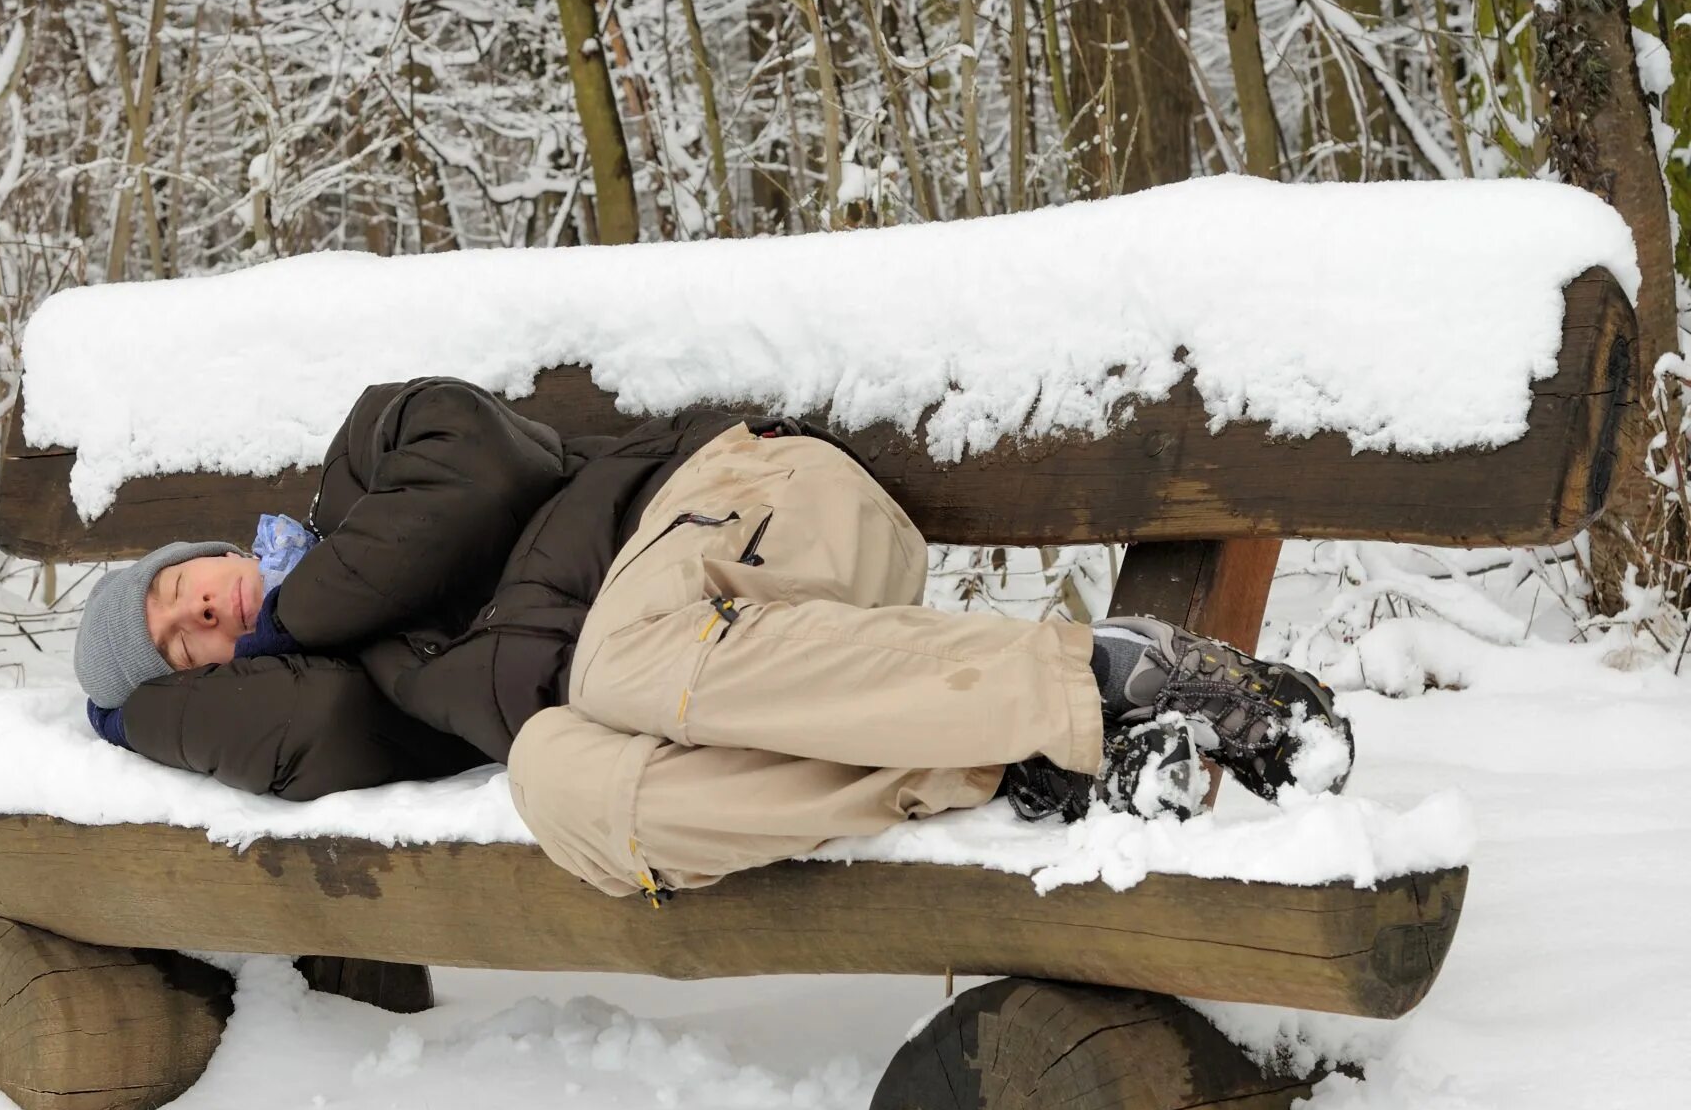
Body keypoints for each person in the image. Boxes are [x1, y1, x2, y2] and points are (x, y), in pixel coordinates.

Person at [74, 377, 1351, 903]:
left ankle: (1095, 673)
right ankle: (999, 760)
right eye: (182, 652)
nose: (198, 620)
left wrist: (294, 612)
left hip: (753, 509)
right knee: (571, 793)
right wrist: (133, 712)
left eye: (179, 591)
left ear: (208, 551)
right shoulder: (365, 677)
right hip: (752, 678)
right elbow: (310, 737)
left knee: (612, 670)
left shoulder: (366, 461)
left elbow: (473, 470)